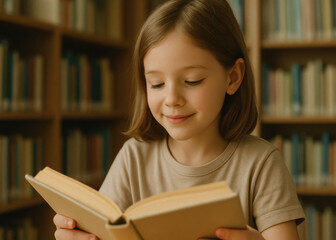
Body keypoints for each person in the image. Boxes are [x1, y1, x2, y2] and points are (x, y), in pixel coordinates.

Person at [53, 0, 305, 239]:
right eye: (157, 83)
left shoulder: (261, 164)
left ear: (233, 77)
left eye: (192, 80)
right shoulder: (134, 158)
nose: (172, 99)